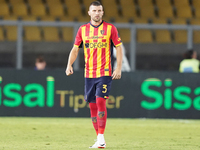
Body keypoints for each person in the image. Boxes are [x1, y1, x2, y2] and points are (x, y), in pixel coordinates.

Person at [65, 1, 123, 148]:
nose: (97, 13)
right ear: (89, 13)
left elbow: (119, 47)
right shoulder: (83, 30)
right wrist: (69, 64)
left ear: (103, 12)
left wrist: (118, 68)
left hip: (104, 73)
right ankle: (99, 139)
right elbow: (75, 49)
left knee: (100, 101)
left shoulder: (110, 28)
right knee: (92, 107)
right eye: (94, 11)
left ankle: (102, 137)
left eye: (99, 10)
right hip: (89, 73)